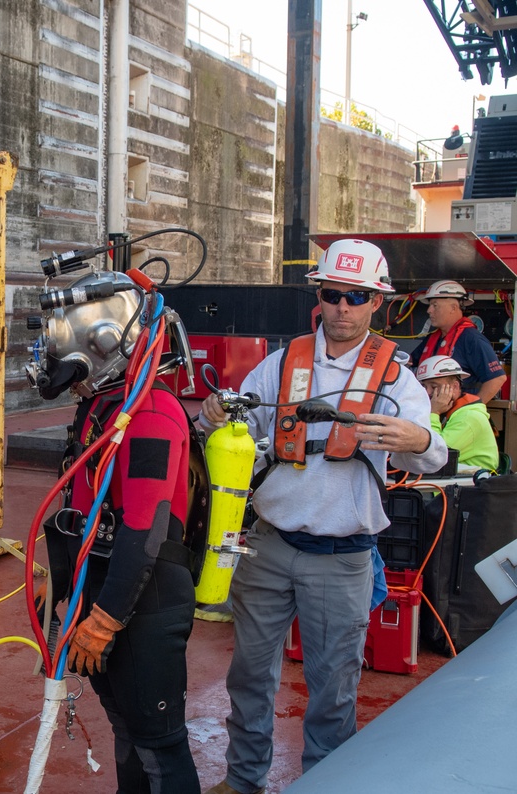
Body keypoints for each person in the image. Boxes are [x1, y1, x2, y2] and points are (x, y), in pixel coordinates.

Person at [199, 239, 448, 794]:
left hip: (343, 557)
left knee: (333, 687)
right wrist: (214, 414)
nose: (342, 307)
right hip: (268, 546)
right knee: (249, 676)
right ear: (320, 294)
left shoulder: (397, 379)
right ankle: (242, 781)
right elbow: (236, 429)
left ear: (376, 302)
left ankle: (324, 782)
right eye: (333, 293)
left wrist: (419, 437)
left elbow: (429, 454)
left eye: (355, 296)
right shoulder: (281, 364)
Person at [27, 269, 202, 792]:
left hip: (143, 603)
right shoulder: (101, 409)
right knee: (127, 732)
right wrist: (54, 579)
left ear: (103, 341)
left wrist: (103, 620)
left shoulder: (149, 413)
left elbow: (144, 530)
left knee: (158, 742)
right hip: (104, 588)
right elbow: (82, 509)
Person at [410, 279, 506, 404]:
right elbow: (410, 362)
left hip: (456, 415)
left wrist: (471, 410)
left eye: (435, 305)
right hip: (431, 411)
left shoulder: (471, 339)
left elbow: (497, 378)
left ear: (453, 308)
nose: (429, 310)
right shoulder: (433, 339)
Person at [416, 355, 499, 471]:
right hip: (450, 479)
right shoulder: (448, 411)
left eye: (434, 386)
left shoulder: (469, 417)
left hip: (473, 484)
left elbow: (434, 454)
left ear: (455, 387)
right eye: (423, 386)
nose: (427, 392)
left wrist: (434, 413)